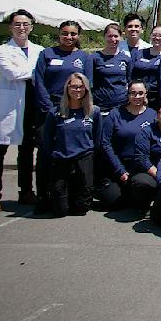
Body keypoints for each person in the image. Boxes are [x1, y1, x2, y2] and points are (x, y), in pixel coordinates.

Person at [31, 20, 93, 212]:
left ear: (78, 36)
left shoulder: (84, 57)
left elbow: (88, 85)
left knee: (73, 155)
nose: (69, 37)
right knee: (46, 155)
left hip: (76, 111)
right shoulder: (46, 54)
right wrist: (50, 108)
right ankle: (43, 196)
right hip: (50, 111)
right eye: (65, 33)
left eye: (73, 34)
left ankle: (71, 194)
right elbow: (38, 81)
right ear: (59, 34)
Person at [0, 9, 43, 212]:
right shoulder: (2, 50)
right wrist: (37, 71)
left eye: (25, 24)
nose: (21, 28)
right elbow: (11, 73)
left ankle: (26, 191)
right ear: (10, 27)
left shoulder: (39, 50)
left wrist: (34, 72)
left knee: (27, 152)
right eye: (17, 24)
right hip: (9, 107)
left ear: (31, 27)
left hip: (31, 106)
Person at [38, 72, 101, 217]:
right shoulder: (55, 113)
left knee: (80, 209)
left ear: (86, 89)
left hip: (84, 157)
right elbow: (47, 140)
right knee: (60, 210)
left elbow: (97, 139)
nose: (77, 90)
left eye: (81, 87)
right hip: (61, 158)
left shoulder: (93, 112)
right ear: (67, 88)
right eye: (73, 87)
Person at [96, 80, 158, 211]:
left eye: (141, 93)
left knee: (143, 185)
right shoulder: (115, 114)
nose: (137, 97)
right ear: (128, 94)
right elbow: (105, 143)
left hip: (141, 167)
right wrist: (120, 170)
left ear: (146, 94)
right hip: (118, 166)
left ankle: (136, 193)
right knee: (110, 202)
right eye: (133, 93)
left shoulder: (153, 115)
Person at [124, 101, 161, 211]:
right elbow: (142, 158)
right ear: (157, 115)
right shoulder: (147, 131)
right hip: (152, 172)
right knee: (142, 182)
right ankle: (145, 205)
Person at [90, 22, 131, 114]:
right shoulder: (94, 58)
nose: (113, 39)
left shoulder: (126, 59)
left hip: (121, 105)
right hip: (100, 105)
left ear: (121, 37)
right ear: (104, 37)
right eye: (110, 36)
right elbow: (89, 82)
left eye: (116, 36)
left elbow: (129, 80)